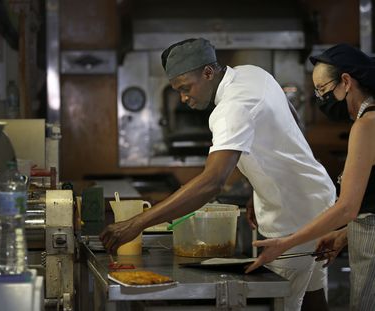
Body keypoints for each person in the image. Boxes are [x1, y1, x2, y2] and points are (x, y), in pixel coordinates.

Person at [99, 38, 336, 311]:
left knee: (282, 303)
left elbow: (212, 182)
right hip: (319, 201)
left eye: (186, 88)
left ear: (208, 73)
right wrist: (258, 185)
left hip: (293, 219)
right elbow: (289, 118)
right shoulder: (252, 73)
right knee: (313, 296)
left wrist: (136, 223)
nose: (184, 98)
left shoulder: (230, 109)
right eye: (177, 91)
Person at [245, 43, 375, 311]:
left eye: (323, 90)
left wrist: (286, 243)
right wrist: (343, 236)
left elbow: (348, 207)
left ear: (346, 82)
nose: (320, 99)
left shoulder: (367, 125)